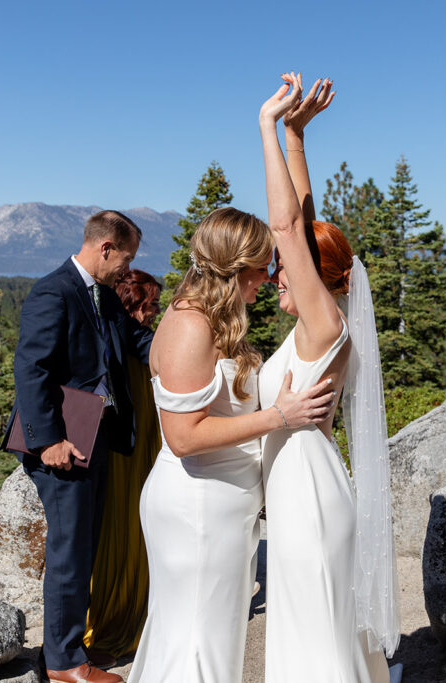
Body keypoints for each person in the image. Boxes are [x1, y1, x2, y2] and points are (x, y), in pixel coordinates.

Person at [128, 204, 336, 683]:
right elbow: (183, 437)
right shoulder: (190, 326)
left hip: (221, 507)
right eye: (263, 267)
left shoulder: (214, 320)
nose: (269, 277)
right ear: (236, 269)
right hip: (195, 509)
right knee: (195, 644)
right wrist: (279, 416)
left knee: (209, 640)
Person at [257, 73, 400, 682]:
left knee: (314, 640)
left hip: (309, 497)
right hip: (299, 490)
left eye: (282, 270)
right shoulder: (320, 318)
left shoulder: (324, 324)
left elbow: (290, 230)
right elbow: (303, 223)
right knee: (312, 632)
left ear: (319, 278)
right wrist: (296, 136)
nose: (276, 276)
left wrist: (266, 126)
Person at [6, 210, 152, 683]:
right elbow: (32, 369)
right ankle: (65, 664)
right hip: (63, 442)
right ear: (105, 247)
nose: (127, 269)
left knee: (83, 549)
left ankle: (71, 649)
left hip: (97, 437)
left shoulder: (105, 296)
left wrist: (198, 341)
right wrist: (47, 441)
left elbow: (139, 342)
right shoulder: (54, 291)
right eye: (125, 258)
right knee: (69, 552)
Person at [84, 269, 163, 661]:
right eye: (150, 305)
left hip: (146, 448)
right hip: (122, 455)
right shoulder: (122, 347)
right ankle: (113, 617)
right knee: (119, 528)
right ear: (132, 304)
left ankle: (136, 608)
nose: (154, 313)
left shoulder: (143, 344)